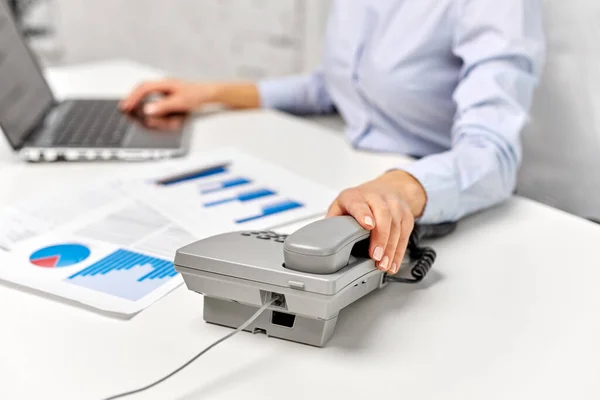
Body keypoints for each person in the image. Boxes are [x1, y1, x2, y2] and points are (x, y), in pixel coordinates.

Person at [120, 0, 545, 276]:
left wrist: (396, 187)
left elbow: (494, 153)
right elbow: (335, 87)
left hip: (441, 201)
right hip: (346, 172)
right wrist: (213, 93)